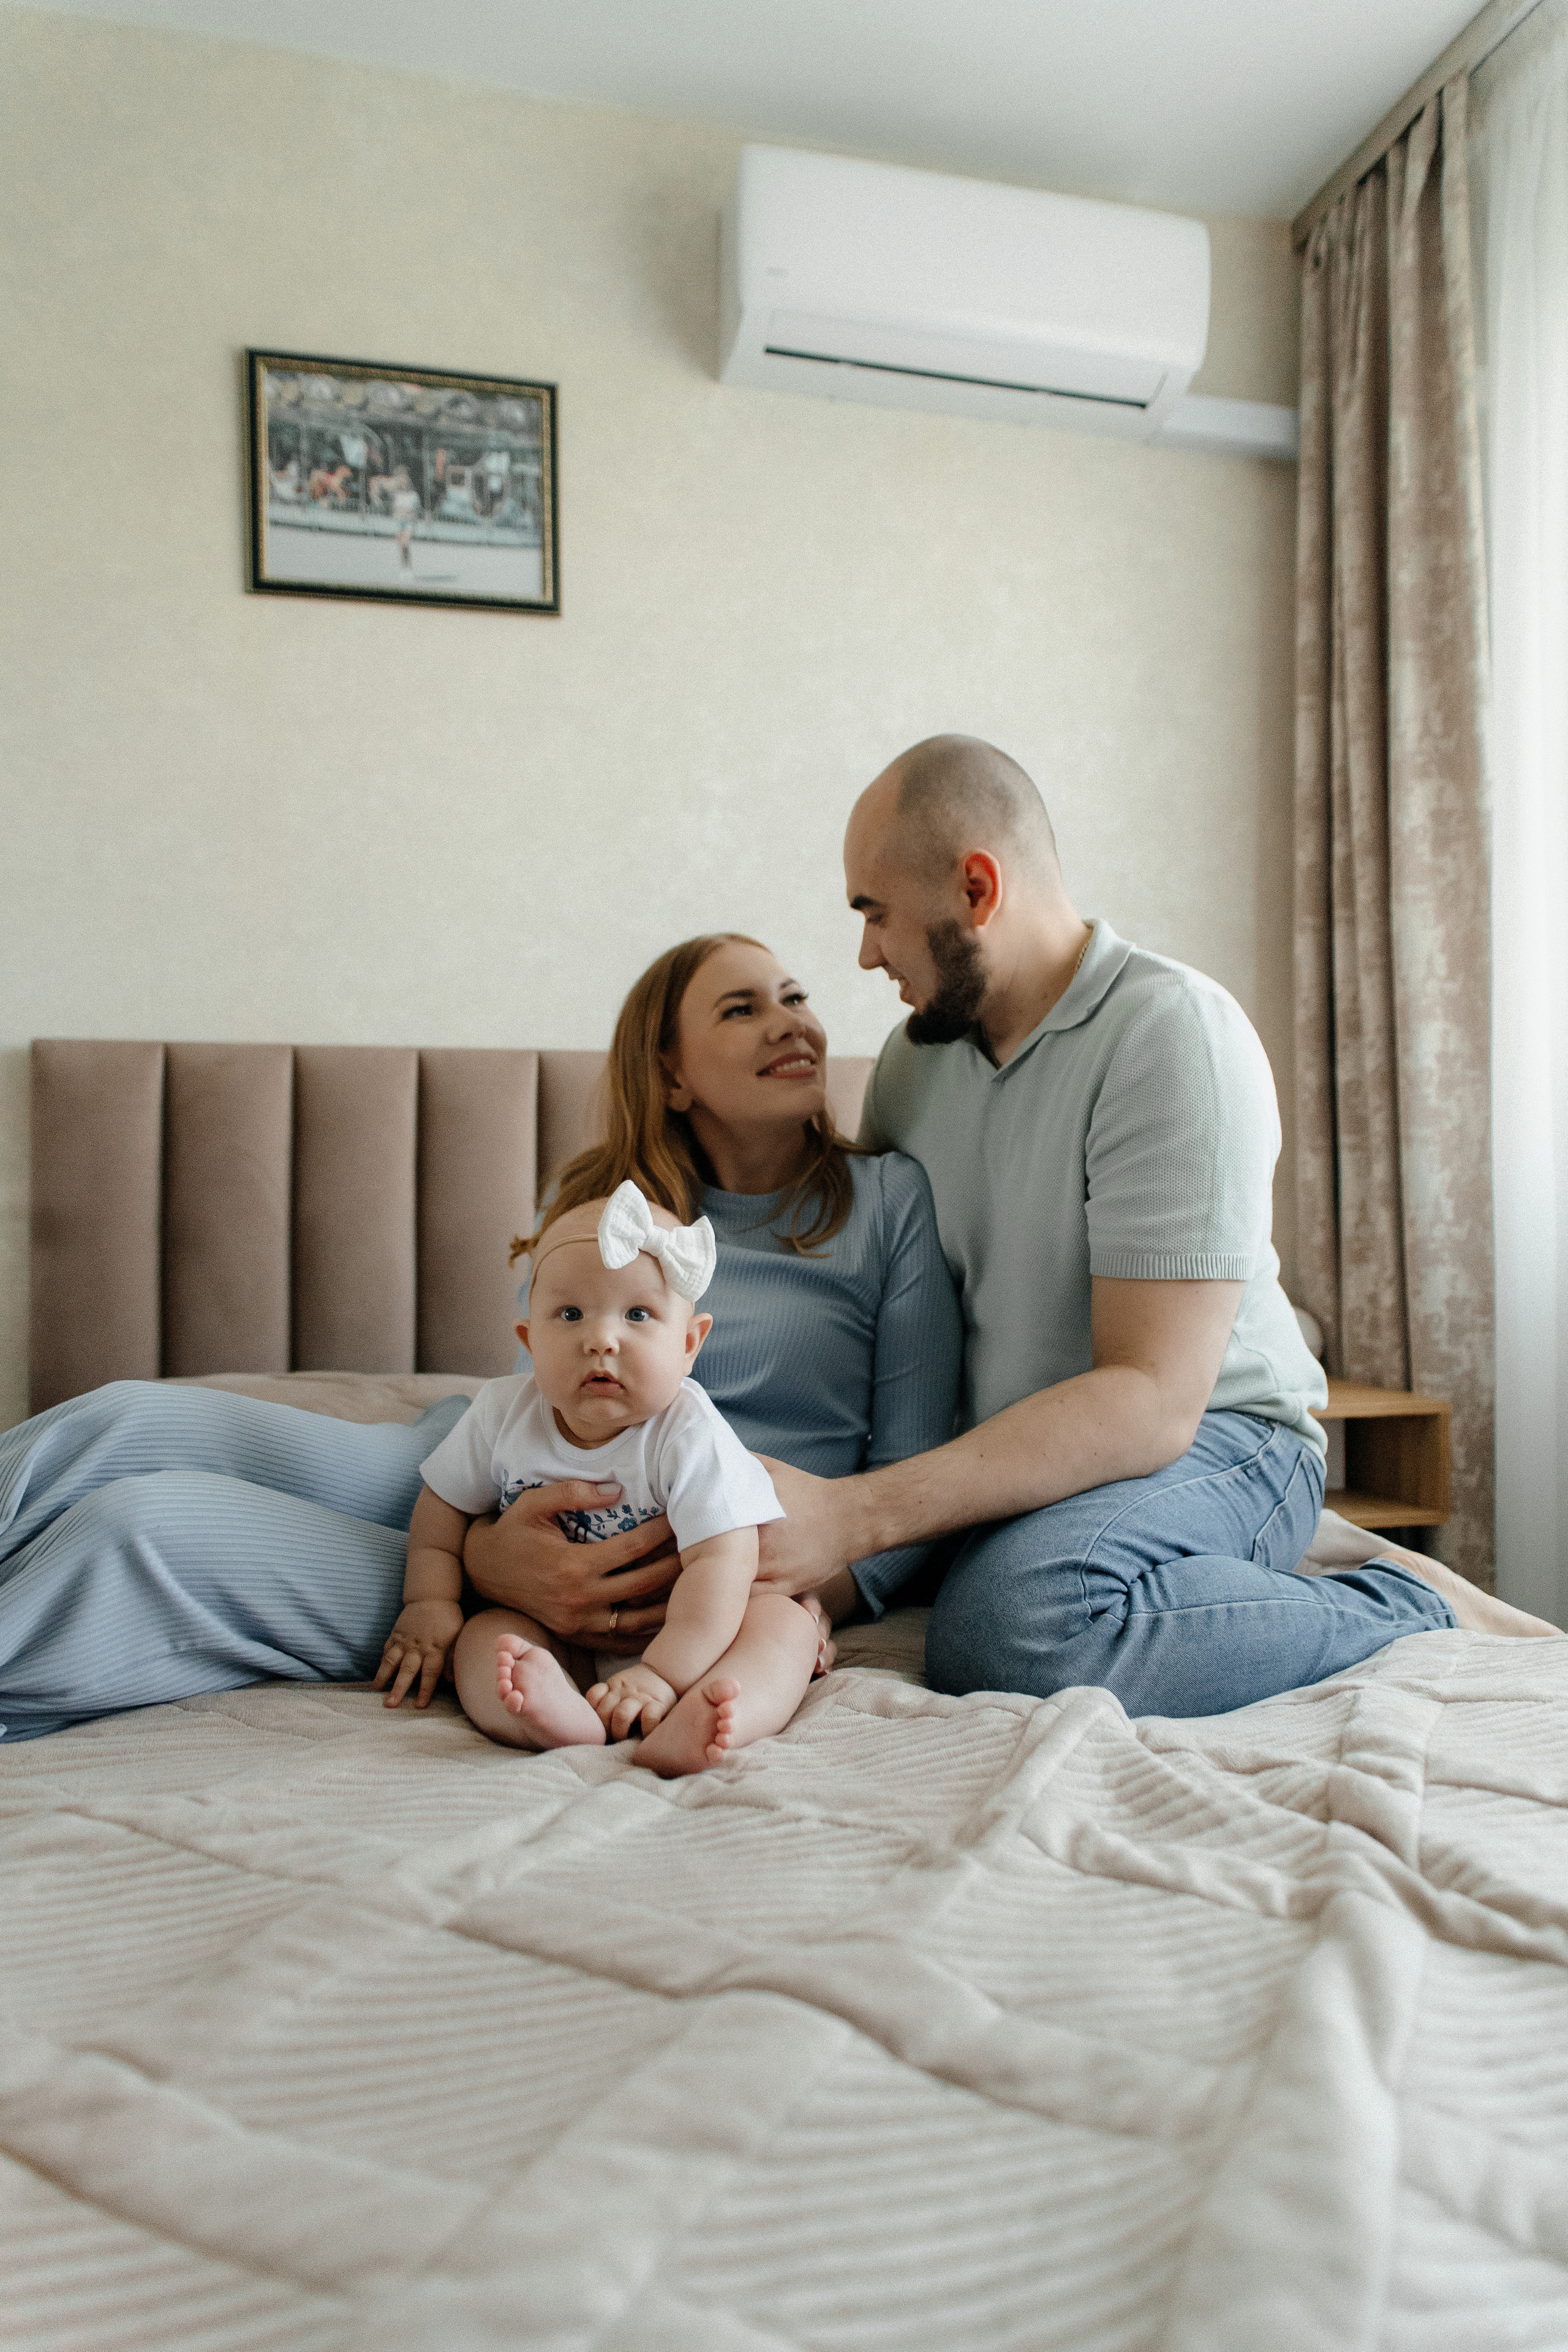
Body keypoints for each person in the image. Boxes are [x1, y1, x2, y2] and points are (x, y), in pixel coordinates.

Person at [742, 734, 1559, 1713]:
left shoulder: (1171, 1035)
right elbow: (873, 1312)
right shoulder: (916, 1065)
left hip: (1218, 1436)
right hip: (1031, 1469)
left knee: (1014, 1625)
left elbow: (1153, 1397)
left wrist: (858, 1514)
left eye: (875, 913)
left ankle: (1400, 1604)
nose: (865, 953)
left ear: (976, 889)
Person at [0, 935, 959, 1743]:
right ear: (670, 1072)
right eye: (743, 1009)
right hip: (486, 1495)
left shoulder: (888, 1204)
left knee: (147, 1528)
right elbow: (525, 1411)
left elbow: (908, 1488)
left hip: (692, 1559)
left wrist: (788, 1604)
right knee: (128, 1424)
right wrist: (489, 1561)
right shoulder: (596, 1199)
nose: (792, 1020)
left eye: (795, 997)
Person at [374, 1183, 818, 1777]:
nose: (601, 1339)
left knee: (782, 1625)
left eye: (638, 1315)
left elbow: (724, 1564)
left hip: (690, 1642)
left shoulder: (689, 1434)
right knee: (488, 1641)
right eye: (570, 1314)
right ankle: (552, 1715)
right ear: (529, 1343)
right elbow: (442, 1510)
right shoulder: (503, 1413)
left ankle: (711, 1713)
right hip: (558, 1638)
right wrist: (430, 1600)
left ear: (689, 1345)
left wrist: (663, 1672)